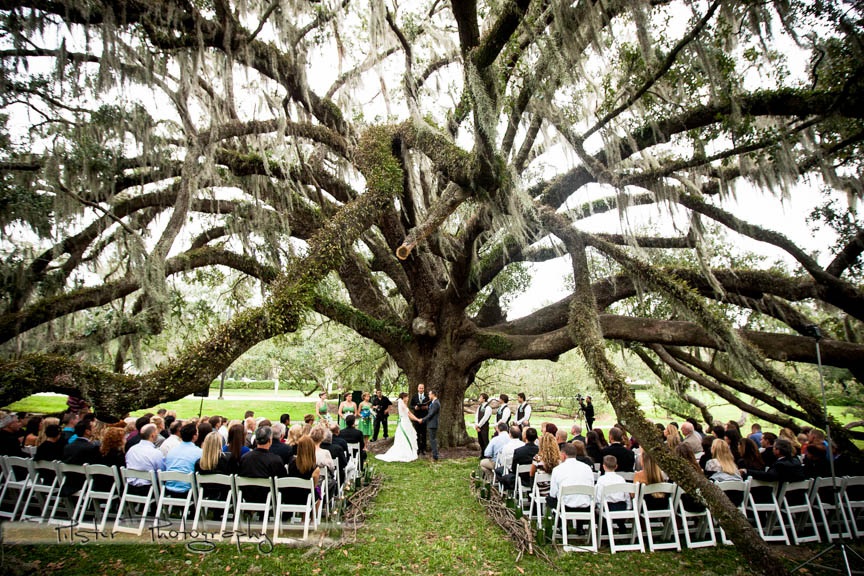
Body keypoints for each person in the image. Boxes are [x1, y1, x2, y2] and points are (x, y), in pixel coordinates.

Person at [238, 426, 287, 503]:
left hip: (248, 496)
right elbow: (283, 482)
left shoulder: (245, 458)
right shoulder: (275, 460)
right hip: (268, 497)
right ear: (270, 440)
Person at [547, 442, 594, 521]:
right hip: (586, 506)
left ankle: (560, 524)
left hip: (565, 506)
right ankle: (580, 526)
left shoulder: (557, 469)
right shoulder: (587, 468)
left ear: (563, 455)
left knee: (550, 499)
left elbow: (553, 493)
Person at [124, 424, 165, 495]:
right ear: (152, 435)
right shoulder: (155, 452)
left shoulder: (132, 449)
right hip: (149, 489)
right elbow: (161, 472)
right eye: (156, 433)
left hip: (130, 487)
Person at [377, 392, 419, 463]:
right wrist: (417, 419)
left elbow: (409, 413)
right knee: (404, 436)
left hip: (406, 422)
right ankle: (404, 451)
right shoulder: (402, 404)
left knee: (408, 435)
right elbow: (409, 414)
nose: (408, 398)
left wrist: (417, 419)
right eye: (407, 397)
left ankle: (409, 449)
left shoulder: (404, 404)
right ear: (404, 398)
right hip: (404, 422)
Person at [285, 436, 322, 508]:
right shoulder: (315, 468)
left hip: (291, 496)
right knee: (318, 492)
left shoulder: (291, 463)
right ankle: (312, 518)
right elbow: (314, 486)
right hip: (306, 498)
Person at [499, 427, 538, 491]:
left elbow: (514, 468)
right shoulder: (539, 450)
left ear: (525, 437)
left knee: (504, 478)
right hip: (535, 478)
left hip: (521, 478)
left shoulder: (519, 451)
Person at [419, 389, 441, 461]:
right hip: (431, 423)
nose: (428, 395)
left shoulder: (436, 403)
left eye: (429, 394)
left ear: (433, 395)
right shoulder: (433, 402)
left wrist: (423, 419)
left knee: (433, 440)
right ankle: (434, 455)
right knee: (432, 440)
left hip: (433, 424)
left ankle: (435, 456)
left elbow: (431, 414)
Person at [410, 384, 430, 455]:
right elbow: (410, 405)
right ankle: (418, 448)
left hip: (424, 417)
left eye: (422, 388)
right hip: (416, 417)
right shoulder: (414, 396)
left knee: (424, 433)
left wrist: (427, 407)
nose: (421, 389)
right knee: (417, 433)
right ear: (418, 388)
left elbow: (430, 405)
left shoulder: (427, 396)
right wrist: (414, 407)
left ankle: (423, 449)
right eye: (420, 388)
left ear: (424, 389)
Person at [474, 393, 493, 458]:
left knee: (485, 440)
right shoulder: (479, 407)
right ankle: (482, 454)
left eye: (480, 397)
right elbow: (476, 415)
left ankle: (487, 455)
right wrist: (476, 424)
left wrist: (479, 425)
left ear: (484, 399)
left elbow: (485, 418)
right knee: (480, 440)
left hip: (484, 426)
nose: (479, 398)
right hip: (478, 426)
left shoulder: (488, 408)